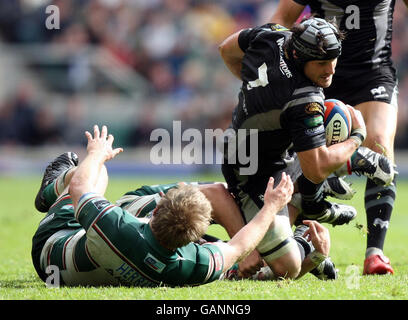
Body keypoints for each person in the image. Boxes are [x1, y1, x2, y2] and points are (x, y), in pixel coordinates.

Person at [32, 124, 319, 287]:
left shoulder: (118, 226)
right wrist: (273, 210)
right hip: (82, 258)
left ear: (155, 211)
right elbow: (237, 245)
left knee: (98, 173)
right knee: (219, 199)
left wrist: (96, 154)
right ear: (195, 241)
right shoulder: (192, 265)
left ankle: (52, 185)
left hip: (53, 244)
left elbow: (80, 188)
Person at [218, 16, 394, 280]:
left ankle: (318, 196)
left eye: (334, 59)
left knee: (317, 140)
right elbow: (315, 167)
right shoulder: (303, 97)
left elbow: (226, 49)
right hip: (254, 174)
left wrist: (253, 89)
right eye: (322, 63)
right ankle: (312, 217)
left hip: (265, 152)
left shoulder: (272, 34)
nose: (331, 70)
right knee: (284, 266)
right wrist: (357, 137)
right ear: (300, 57)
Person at [270, 0, 407, 275]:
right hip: (319, 72)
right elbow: (280, 21)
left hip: (373, 74)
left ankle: (375, 253)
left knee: (379, 143)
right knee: (305, 162)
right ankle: (299, 244)